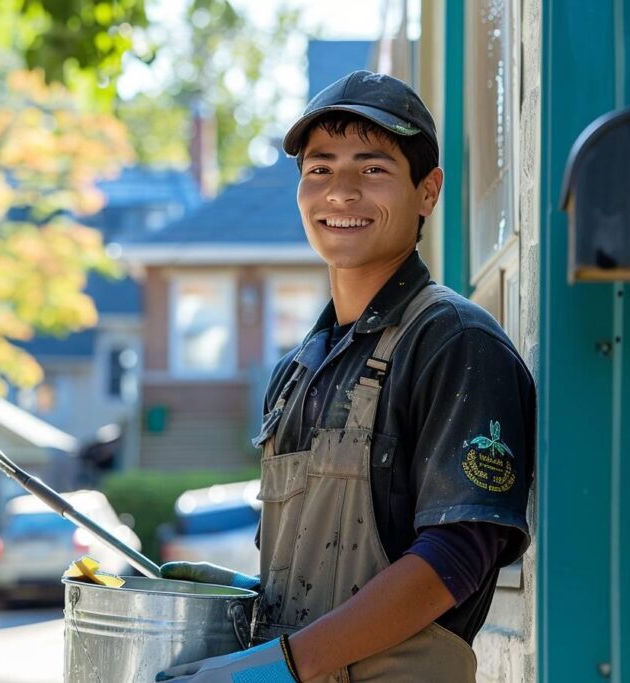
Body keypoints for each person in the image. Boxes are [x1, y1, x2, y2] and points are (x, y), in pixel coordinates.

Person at [156, 70, 535, 683]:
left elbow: (459, 554)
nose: (341, 192)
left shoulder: (454, 342)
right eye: (320, 169)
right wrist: (236, 596)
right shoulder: (299, 369)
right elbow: (314, 570)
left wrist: (279, 669)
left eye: (373, 169)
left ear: (428, 190)